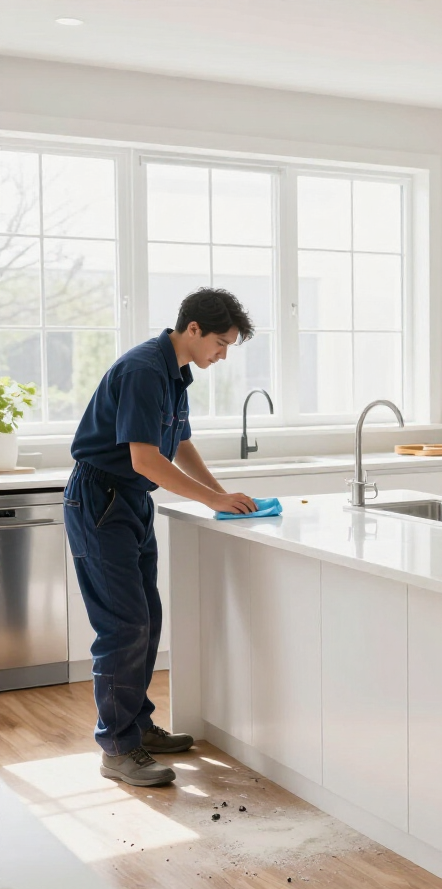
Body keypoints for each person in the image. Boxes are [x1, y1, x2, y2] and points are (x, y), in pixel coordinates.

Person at [65, 288, 259, 787]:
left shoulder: (175, 375)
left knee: (146, 619)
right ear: (192, 329)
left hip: (129, 501)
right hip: (101, 498)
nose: (222, 354)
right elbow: (145, 459)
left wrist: (221, 494)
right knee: (123, 626)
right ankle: (116, 747)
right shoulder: (145, 370)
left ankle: (137, 727)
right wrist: (211, 501)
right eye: (220, 342)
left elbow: (180, 442)